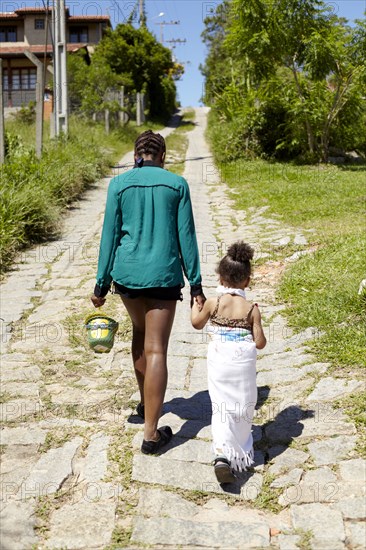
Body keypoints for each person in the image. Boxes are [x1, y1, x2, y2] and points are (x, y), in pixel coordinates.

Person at [91, 130, 205, 454]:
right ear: (163, 156)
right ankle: (151, 434)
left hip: (126, 277)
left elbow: (109, 237)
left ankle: (145, 404)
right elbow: (187, 237)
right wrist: (196, 283)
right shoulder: (177, 184)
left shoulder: (118, 184)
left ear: (135, 154)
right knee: (157, 350)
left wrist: (100, 284)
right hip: (163, 277)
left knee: (139, 334)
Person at [191, 241, 266, 483]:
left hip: (220, 362)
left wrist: (196, 306)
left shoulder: (214, 303)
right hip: (242, 364)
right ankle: (240, 449)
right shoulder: (251, 308)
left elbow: (197, 323)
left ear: (221, 278)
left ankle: (222, 455)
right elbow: (260, 342)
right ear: (248, 280)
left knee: (221, 405)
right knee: (244, 404)